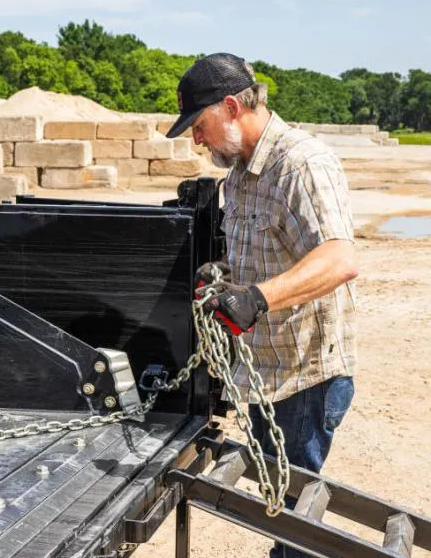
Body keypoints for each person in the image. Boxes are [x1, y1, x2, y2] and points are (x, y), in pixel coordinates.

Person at [166, 53, 358, 558]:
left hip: (305, 374)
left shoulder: (301, 164)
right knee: (280, 508)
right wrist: (222, 275)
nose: (196, 140)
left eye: (200, 125)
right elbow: (255, 255)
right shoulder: (239, 176)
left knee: (296, 523)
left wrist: (258, 298)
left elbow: (339, 258)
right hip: (266, 371)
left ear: (231, 107)